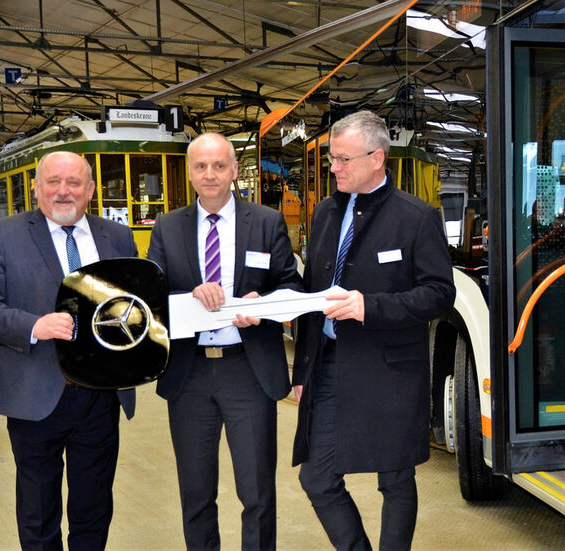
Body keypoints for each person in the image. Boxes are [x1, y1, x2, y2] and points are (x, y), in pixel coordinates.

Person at [291, 110, 455, 550]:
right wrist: (302, 373)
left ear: (377, 158)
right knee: (317, 478)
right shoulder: (325, 213)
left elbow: (439, 294)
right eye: (332, 158)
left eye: (343, 159)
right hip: (330, 367)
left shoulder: (416, 217)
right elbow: (312, 292)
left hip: (391, 371)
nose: (334, 167)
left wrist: (370, 308)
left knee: (396, 479)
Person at [0, 150, 138, 549]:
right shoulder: (4, 234)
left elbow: (136, 306)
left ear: (90, 190)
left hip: (100, 396)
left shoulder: (116, 236)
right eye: (53, 182)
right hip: (34, 396)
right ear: (36, 187)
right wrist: (33, 325)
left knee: (94, 507)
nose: (63, 191)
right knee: (38, 511)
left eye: (74, 183)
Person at [147, 133, 301, 550]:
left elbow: (291, 285)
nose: (210, 174)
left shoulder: (267, 222)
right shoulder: (168, 226)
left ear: (234, 170)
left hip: (247, 371)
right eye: (201, 166)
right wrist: (188, 296)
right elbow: (150, 295)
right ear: (190, 173)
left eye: (219, 166)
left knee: (257, 495)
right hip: (189, 373)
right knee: (196, 494)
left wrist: (263, 304)